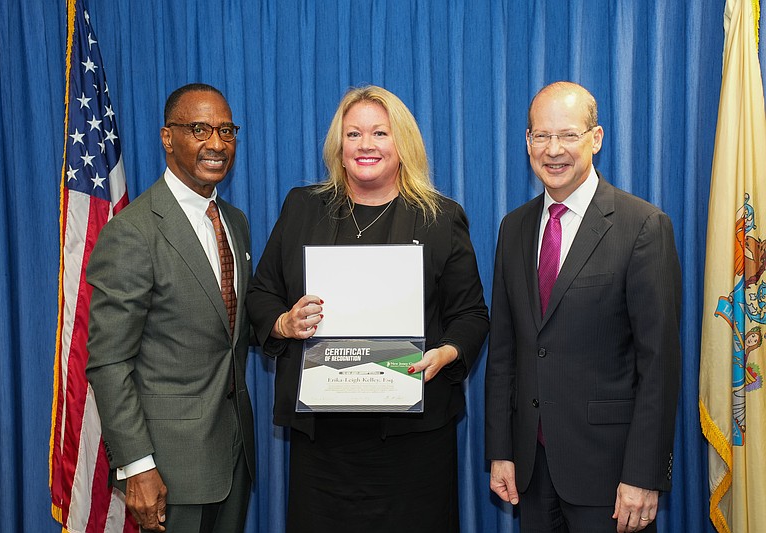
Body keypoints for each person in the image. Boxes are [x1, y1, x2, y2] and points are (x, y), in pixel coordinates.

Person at [247, 85, 489, 532]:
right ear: (338, 147)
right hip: (324, 445)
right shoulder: (302, 207)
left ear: (403, 145)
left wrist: (448, 352)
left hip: (414, 442)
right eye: (353, 134)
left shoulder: (440, 217)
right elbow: (261, 296)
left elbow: (471, 314)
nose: (366, 145)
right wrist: (284, 322)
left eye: (380, 133)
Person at [485, 81, 681, 533]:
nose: (553, 149)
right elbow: (504, 353)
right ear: (527, 142)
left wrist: (643, 475)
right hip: (531, 471)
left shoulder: (643, 227)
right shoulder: (513, 229)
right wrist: (501, 450)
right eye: (541, 136)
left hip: (611, 476)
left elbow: (659, 365)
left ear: (596, 138)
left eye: (568, 135)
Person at [86, 83, 255, 533]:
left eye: (226, 131)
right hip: (168, 471)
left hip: (234, 459)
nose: (217, 144)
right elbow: (108, 362)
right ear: (167, 137)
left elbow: (233, 326)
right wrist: (137, 466)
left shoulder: (234, 223)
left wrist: (283, 322)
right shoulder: (133, 232)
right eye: (199, 129)